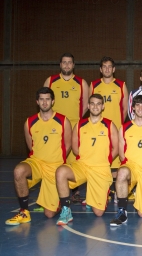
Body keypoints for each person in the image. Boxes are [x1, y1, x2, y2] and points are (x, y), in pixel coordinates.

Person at [5, 87, 72, 225]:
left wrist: (56, 161)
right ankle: (24, 212)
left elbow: (68, 144)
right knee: (19, 171)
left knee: (49, 214)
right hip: (36, 163)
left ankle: (58, 199)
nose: (45, 102)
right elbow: (31, 146)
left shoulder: (63, 121)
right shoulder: (29, 122)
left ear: (53, 101)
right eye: (41, 99)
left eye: (47, 99)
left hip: (54, 166)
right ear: (37, 101)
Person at [55, 94, 119, 225]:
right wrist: (88, 157)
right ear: (88, 106)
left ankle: (93, 198)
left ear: (103, 106)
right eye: (93, 103)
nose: (95, 106)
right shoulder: (79, 124)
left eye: (98, 104)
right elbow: (75, 148)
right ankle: (66, 210)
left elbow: (116, 148)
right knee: (61, 172)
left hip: (100, 168)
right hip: (83, 165)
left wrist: (104, 161)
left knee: (98, 213)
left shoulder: (109, 125)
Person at [110, 95, 142, 226]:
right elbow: (122, 155)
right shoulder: (125, 127)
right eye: (137, 105)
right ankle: (122, 212)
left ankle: (141, 193)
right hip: (131, 167)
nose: (140, 108)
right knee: (122, 172)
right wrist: (130, 167)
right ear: (132, 108)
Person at [44, 53, 89, 203]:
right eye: (64, 62)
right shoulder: (50, 81)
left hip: (74, 126)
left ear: (74, 65)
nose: (67, 65)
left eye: (70, 62)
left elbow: (85, 105)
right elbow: (45, 101)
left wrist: (74, 122)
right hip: (55, 127)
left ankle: (75, 191)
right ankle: (53, 193)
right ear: (60, 65)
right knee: (54, 158)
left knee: (74, 158)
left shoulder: (81, 83)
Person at [90, 56, 128, 202]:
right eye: (104, 66)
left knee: (117, 163)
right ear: (100, 69)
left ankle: (117, 191)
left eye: (109, 66)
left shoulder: (121, 85)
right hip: (98, 131)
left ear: (114, 69)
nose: (107, 69)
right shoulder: (93, 85)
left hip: (115, 130)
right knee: (101, 161)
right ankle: (102, 191)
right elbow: (90, 107)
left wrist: (118, 126)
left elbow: (124, 109)